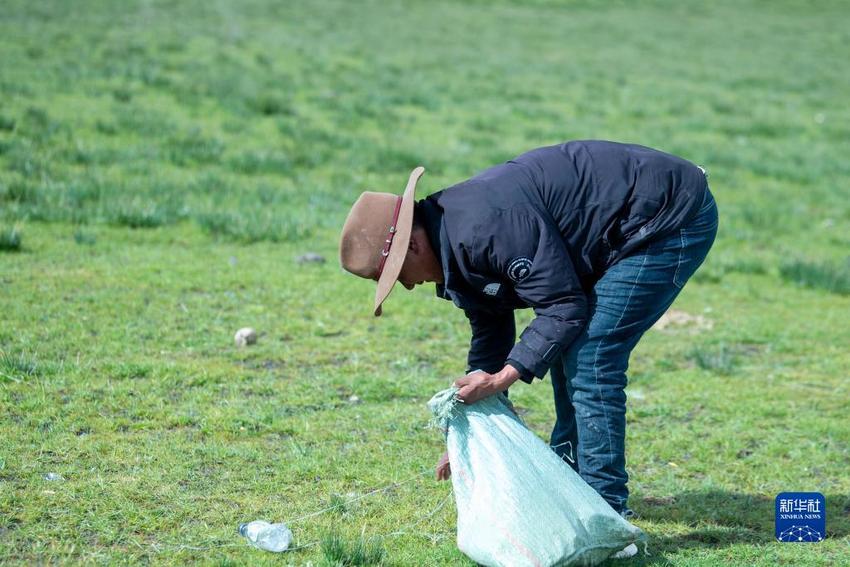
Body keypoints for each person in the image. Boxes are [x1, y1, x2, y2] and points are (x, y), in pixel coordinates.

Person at [338, 140, 718, 524]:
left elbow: (564, 307)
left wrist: (506, 376)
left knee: (590, 355)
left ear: (414, 245)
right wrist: (470, 427)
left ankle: (605, 512)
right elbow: (490, 328)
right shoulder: (451, 238)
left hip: (666, 217)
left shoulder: (484, 229)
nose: (405, 285)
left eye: (397, 274)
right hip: (614, 229)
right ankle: (572, 487)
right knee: (566, 347)